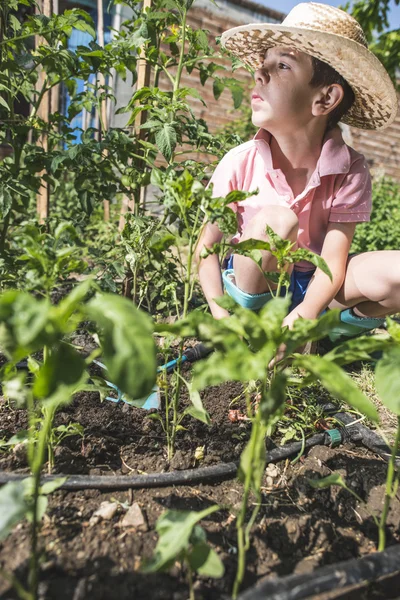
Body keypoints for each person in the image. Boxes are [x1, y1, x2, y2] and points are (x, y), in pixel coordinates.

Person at [195, 2, 399, 345]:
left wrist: (303, 316)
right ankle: (254, 334)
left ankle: (317, 337)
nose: (260, 73)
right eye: (264, 63)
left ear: (325, 99)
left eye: (283, 65)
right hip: (255, 283)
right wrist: (220, 316)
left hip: (316, 289)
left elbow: (333, 262)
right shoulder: (240, 161)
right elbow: (206, 248)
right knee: (277, 222)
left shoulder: (350, 168)